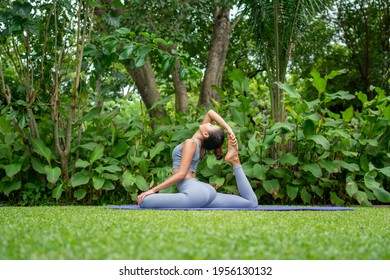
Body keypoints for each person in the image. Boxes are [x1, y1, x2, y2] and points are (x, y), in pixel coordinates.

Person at [137, 110, 258, 208]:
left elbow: (181, 174)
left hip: (194, 193)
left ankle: (235, 159)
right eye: (210, 123)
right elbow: (211, 113)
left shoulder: (191, 143)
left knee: (144, 201)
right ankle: (235, 160)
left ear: (206, 134)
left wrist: (153, 190)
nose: (208, 122)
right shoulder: (200, 145)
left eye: (210, 125)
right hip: (205, 190)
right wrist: (228, 129)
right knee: (251, 203)